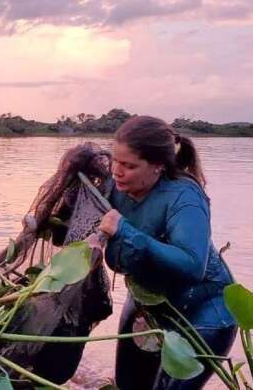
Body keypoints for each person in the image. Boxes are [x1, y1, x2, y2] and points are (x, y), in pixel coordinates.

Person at [98, 116, 237, 389]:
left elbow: (193, 264)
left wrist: (126, 232)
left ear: (158, 167)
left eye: (129, 165)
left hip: (202, 312)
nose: (117, 171)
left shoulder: (184, 197)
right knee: (128, 385)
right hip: (148, 303)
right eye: (115, 161)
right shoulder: (114, 183)